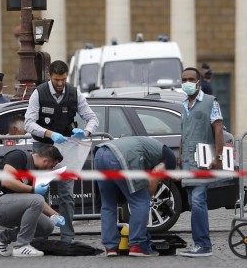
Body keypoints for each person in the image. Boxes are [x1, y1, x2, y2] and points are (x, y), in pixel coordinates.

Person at [24, 60, 99, 243]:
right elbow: (28, 123)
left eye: (63, 79)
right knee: (41, 193)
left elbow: (92, 118)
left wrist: (86, 132)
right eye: (57, 79)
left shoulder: (74, 93)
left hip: (67, 149)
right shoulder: (39, 93)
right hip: (42, 148)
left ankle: (67, 237)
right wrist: (49, 133)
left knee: (66, 193)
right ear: (50, 76)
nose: (60, 83)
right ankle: (40, 236)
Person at [94, 136, 177, 257]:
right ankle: (138, 245)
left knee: (108, 204)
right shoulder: (170, 159)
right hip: (121, 156)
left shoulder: (154, 148)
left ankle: (111, 247)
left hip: (100, 154)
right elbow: (153, 179)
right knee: (141, 201)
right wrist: (145, 206)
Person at [0, 145, 66, 257]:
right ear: (45, 160)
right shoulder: (18, 156)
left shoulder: (34, 172)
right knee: (37, 199)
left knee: (47, 226)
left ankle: (2, 237)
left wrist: (56, 215)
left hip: (11, 206)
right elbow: (7, 182)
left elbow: (37, 201)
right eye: (52, 166)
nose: (51, 170)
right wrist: (33, 189)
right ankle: (21, 246)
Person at [178, 67, 224, 258]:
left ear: (198, 82)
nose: (187, 82)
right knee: (193, 202)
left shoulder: (210, 102)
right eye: (184, 79)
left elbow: (218, 130)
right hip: (187, 164)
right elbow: (184, 133)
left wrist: (218, 157)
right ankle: (200, 243)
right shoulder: (183, 105)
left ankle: (204, 245)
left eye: (191, 79)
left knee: (198, 201)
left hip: (203, 162)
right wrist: (179, 156)